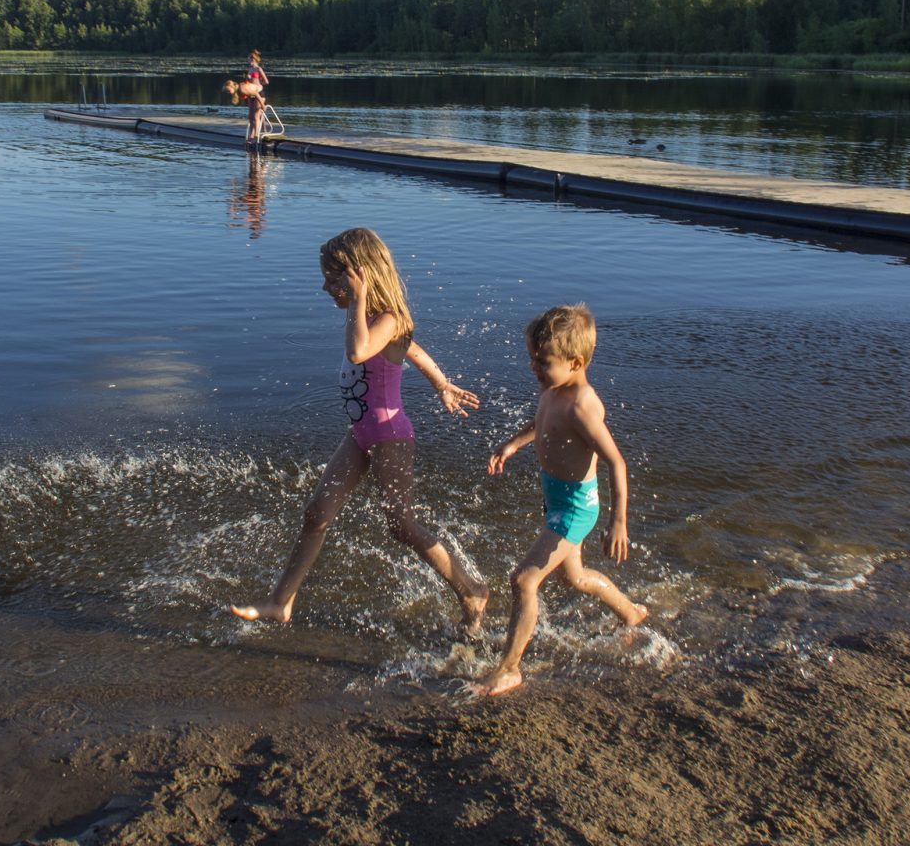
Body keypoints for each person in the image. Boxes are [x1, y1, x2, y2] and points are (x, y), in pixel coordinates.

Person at [231, 227, 490, 633]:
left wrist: (359, 298)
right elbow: (412, 349)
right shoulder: (377, 321)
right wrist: (441, 382)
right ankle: (281, 602)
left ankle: (471, 588)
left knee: (401, 526)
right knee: (316, 514)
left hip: (390, 436)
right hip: (361, 433)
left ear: (360, 276)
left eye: (333, 279)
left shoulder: (385, 317)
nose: (324, 287)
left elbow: (358, 351)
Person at [473, 303, 647, 697]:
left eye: (543, 362)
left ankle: (509, 668)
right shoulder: (553, 388)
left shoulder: (582, 405)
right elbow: (541, 422)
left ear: (576, 362)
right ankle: (631, 613)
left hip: (575, 509)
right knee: (577, 578)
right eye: (533, 360)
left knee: (524, 579)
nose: (535, 369)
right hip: (555, 498)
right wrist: (514, 444)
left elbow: (616, 463)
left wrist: (618, 522)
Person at [221, 78, 268, 146]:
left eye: (228, 91)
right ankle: (251, 137)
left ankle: (256, 137)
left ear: (232, 87)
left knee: (256, 116)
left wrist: (263, 105)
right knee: (251, 117)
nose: (228, 93)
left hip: (259, 94)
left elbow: (256, 93)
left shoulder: (241, 89)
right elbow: (249, 96)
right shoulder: (237, 91)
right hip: (252, 97)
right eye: (226, 92)